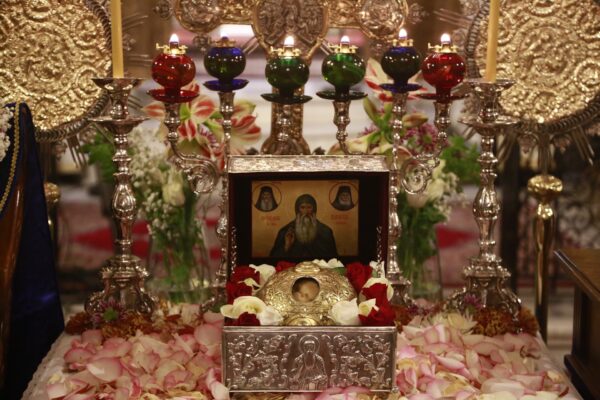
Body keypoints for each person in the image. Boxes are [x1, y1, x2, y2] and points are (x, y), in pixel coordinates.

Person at [270, 194, 338, 259]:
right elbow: (273, 257)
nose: (306, 212)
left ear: (314, 210)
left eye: (309, 207)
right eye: (302, 207)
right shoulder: (286, 231)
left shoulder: (325, 232)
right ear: (297, 210)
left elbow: (333, 258)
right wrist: (286, 246)